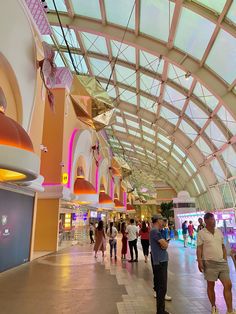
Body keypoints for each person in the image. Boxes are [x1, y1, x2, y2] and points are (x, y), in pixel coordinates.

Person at [197, 212, 236, 314]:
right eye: (211, 219)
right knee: (211, 285)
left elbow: (222, 246)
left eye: (213, 219)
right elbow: (199, 248)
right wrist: (200, 261)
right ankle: (214, 306)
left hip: (222, 263)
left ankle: (230, 310)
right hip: (209, 263)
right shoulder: (201, 233)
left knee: (228, 285)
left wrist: (224, 259)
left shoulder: (219, 232)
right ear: (206, 221)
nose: (213, 221)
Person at [150, 214, 171, 314]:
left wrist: (164, 244)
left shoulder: (157, 231)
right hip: (160, 262)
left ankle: (161, 310)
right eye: (162, 220)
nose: (163, 222)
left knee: (161, 287)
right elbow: (165, 245)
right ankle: (160, 311)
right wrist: (165, 244)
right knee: (162, 288)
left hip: (160, 261)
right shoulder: (154, 231)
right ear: (157, 220)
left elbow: (164, 245)